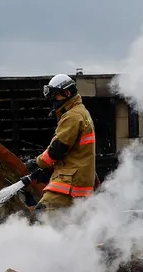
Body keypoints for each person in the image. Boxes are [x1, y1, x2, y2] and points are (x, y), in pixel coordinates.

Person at [24, 74, 97, 211]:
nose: (54, 103)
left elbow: (56, 150)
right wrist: (50, 170)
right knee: (65, 225)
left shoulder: (72, 116)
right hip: (77, 182)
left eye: (55, 98)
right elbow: (72, 153)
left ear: (67, 93)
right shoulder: (81, 113)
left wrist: (37, 163)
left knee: (42, 215)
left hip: (69, 184)